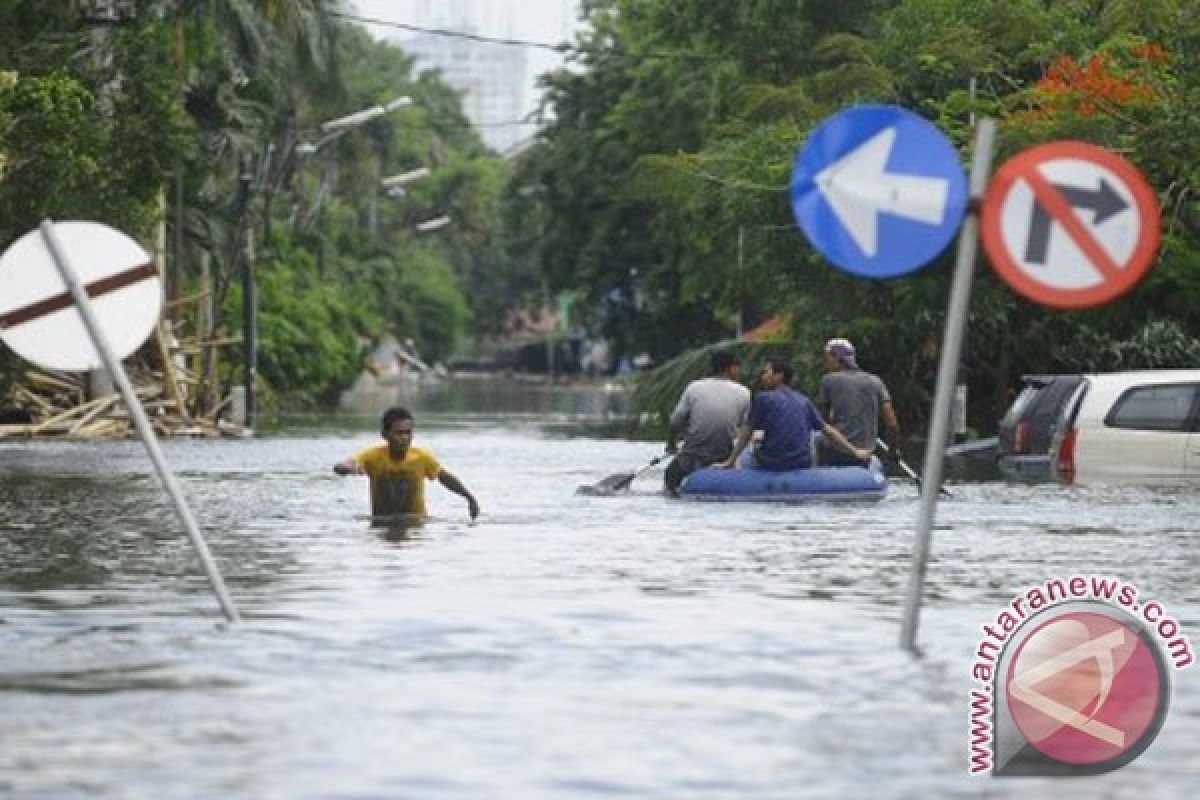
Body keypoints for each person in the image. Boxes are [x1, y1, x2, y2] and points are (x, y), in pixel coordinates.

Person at [721, 358, 872, 470]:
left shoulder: (762, 398)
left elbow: (747, 431)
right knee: (814, 438)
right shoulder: (803, 400)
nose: (763, 376)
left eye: (766, 372)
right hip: (802, 462)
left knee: (747, 445)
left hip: (773, 462)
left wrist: (730, 460)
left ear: (779, 376)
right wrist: (855, 451)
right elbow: (828, 431)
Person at [334, 406, 480, 519]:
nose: (404, 437)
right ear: (385, 435)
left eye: (408, 432)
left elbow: (445, 478)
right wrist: (349, 469)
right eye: (399, 433)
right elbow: (340, 467)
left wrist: (469, 497)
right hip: (381, 521)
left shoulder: (421, 457)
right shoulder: (372, 456)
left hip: (416, 523)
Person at [664, 348, 751, 494]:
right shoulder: (744, 392)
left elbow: (675, 421)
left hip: (692, 455)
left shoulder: (694, 387)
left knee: (670, 478)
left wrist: (671, 444)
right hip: (724, 455)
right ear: (732, 368)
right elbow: (746, 430)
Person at [815, 337, 900, 467]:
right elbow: (892, 425)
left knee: (815, 439)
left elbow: (821, 422)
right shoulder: (876, 381)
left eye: (827, 358)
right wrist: (893, 451)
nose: (826, 363)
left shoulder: (828, 380)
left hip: (837, 452)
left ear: (836, 358)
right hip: (867, 452)